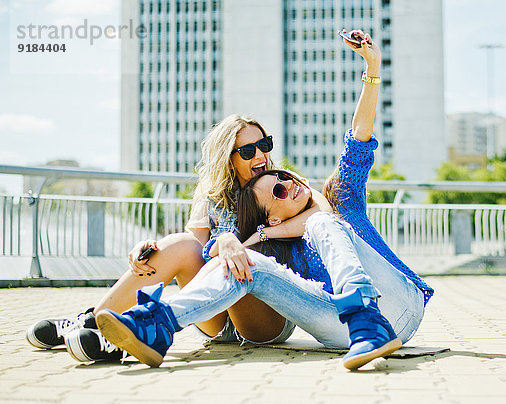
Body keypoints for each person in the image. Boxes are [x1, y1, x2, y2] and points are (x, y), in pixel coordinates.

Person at [94, 30, 434, 370]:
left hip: (400, 304)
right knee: (249, 265)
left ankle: (365, 314)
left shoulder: (339, 199)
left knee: (320, 220)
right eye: (279, 191)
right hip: (341, 329)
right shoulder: (277, 245)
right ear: (271, 219)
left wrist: (372, 68)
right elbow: (199, 251)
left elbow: (359, 138)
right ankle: (154, 324)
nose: (290, 184)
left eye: (286, 177)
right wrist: (234, 242)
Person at [25, 114, 330, 362]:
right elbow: (193, 249)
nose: (261, 155)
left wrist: (256, 236)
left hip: (265, 315)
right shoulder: (211, 194)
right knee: (177, 245)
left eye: (264, 144)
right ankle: (95, 322)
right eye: (248, 151)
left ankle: (136, 331)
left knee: (243, 260)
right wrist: (151, 251)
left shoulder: (283, 184)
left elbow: (323, 212)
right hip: (215, 316)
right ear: (228, 158)